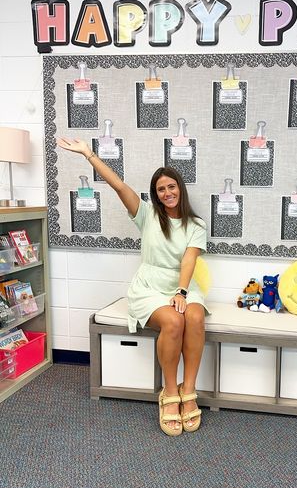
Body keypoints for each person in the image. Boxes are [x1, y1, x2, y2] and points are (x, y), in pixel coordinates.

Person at [57, 137, 208, 437]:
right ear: (156, 194)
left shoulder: (196, 224)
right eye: (161, 189)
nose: (167, 193)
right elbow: (119, 185)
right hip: (149, 286)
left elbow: (189, 262)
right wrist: (89, 154)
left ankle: (187, 388)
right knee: (174, 320)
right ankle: (168, 393)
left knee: (194, 317)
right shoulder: (147, 215)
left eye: (171, 186)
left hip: (182, 285)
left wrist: (181, 292)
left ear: (181, 188)